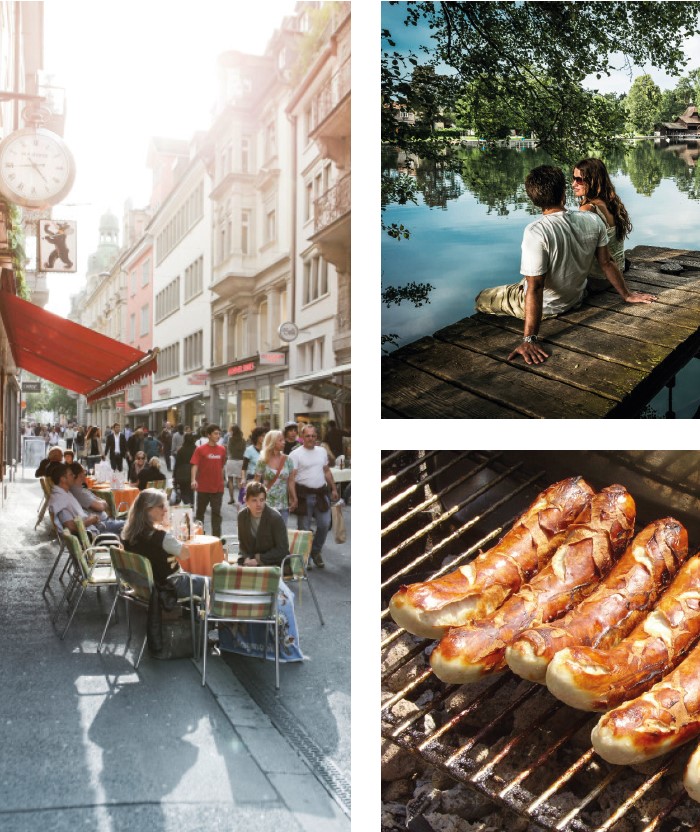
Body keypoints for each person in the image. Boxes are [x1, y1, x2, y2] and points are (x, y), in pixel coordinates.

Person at [474, 165, 656, 365]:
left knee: (482, 298)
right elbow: (607, 262)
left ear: (533, 200)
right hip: (575, 299)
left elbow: (535, 288)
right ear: (563, 193)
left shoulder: (536, 231)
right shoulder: (592, 220)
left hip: (547, 306)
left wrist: (529, 339)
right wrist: (627, 295)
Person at [219, 482, 303, 663]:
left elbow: (282, 550)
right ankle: (235, 640)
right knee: (229, 590)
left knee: (278, 600)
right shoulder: (242, 516)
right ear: (246, 501)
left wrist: (257, 559)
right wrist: (244, 560)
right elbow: (243, 546)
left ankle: (278, 642)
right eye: (254, 500)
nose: (259, 504)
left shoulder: (274, 518)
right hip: (251, 565)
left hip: (273, 565)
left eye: (262, 500)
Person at [121, 488, 207, 659]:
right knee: (211, 583)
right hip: (170, 587)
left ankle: (197, 626)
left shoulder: (128, 534)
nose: (165, 510)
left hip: (144, 588)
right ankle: (213, 629)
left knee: (197, 580)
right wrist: (173, 536)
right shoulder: (162, 537)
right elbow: (185, 554)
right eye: (161, 506)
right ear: (148, 509)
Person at [572, 157, 632, 292]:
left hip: (599, 280)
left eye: (579, 180)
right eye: (574, 178)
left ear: (593, 180)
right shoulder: (611, 203)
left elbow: (581, 252)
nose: (573, 184)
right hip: (619, 270)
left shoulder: (588, 209)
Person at [288, 424, 338, 569]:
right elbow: (291, 478)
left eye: (313, 436)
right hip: (303, 496)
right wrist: (293, 498)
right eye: (307, 436)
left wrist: (334, 488)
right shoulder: (295, 454)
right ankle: (305, 559)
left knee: (325, 524)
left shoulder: (322, 451)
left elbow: (326, 471)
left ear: (317, 437)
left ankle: (315, 551)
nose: (310, 438)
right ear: (302, 437)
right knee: (304, 529)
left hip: (321, 494)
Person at [48, 463, 125, 537]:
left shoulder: (65, 493)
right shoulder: (60, 500)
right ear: (63, 479)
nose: (74, 476)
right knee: (129, 528)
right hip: (93, 534)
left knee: (129, 529)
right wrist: (90, 520)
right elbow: (71, 528)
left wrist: (91, 518)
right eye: (71, 474)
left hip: (95, 528)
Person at [190, 424, 227, 538]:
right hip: (203, 487)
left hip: (218, 488)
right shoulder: (200, 449)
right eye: (215, 433)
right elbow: (195, 465)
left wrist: (222, 481)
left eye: (219, 434)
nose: (218, 436)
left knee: (216, 514)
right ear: (208, 435)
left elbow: (222, 467)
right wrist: (193, 480)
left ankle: (216, 539)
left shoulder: (222, 449)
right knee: (200, 514)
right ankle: (199, 537)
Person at [254, 429, 294, 523]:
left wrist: (293, 497)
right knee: (268, 530)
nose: (284, 442)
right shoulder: (263, 460)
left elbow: (291, 480)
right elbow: (256, 481)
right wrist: (255, 500)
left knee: (281, 530)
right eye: (280, 440)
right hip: (267, 503)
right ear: (272, 442)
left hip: (283, 503)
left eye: (283, 440)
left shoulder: (288, 460)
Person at [240, 427, 265, 496]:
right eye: (262, 436)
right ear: (256, 437)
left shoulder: (267, 450)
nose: (264, 438)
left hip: (265, 479)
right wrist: (243, 479)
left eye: (265, 436)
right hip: (253, 478)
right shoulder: (249, 450)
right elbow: (244, 467)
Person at [173, 432, 196, 506]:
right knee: (191, 491)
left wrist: (174, 475)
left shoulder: (181, 450)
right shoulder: (196, 449)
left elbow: (177, 463)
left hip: (182, 473)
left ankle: (187, 504)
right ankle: (191, 504)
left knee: (183, 490)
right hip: (193, 472)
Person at [226, 425, 246, 505]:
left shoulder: (230, 439)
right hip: (240, 461)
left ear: (233, 431)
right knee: (239, 481)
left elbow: (228, 450)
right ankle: (241, 499)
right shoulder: (243, 440)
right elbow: (244, 450)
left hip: (231, 460)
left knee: (230, 480)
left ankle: (231, 498)